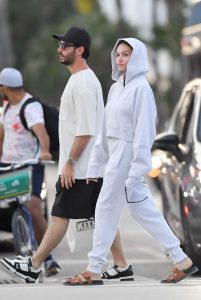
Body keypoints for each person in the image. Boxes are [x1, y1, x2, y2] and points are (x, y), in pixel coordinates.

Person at [0, 27, 133, 284]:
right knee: (101, 214)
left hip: (81, 167)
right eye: (60, 46)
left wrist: (70, 164)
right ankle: (121, 263)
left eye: (65, 46)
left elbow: (85, 131)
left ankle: (35, 265)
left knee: (60, 215)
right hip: (89, 166)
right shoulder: (80, 80)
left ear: (80, 49)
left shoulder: (83, 84)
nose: (59, 50)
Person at [64, 38, 199, 286]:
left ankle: (94, 268)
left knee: (105, 207)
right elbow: (104, 130)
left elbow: (144, 132)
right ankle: (181, 260)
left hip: (128, 155)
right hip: (115, 154)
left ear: (137, 57)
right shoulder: (115, 89)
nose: (120, 59)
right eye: (118, 54)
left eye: (126, 54)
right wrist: (96, 164)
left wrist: (137, 170)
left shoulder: (142, 89)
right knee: (142, 210)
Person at [0, 67, 60, 276]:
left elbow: (41, 133)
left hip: (29, 165)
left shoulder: (30, 106)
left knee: (34, 208)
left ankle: (48, 257)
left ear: (5, 87)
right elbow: (2, 135)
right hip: (7, 165)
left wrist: (44, 151)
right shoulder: (6, 107)